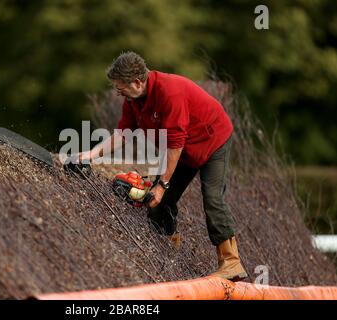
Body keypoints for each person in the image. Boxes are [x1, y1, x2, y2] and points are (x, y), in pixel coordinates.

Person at [79, 51, 247, 281]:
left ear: (138, 82)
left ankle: (231, 263)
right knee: (158, 204)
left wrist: (162, 184)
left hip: (212, 141)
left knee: (212, 198)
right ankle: (169, 253)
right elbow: (123, 133)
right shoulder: (133, 100)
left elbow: (175, 145)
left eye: (121, 88)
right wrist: (92, 154)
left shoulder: (170, 92)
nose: (119, 93)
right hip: (183, 149)